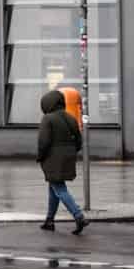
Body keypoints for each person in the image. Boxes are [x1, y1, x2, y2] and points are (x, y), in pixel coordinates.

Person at [36, 89, 87, 235]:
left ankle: (79, 216)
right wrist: (71, 151)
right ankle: (49, 220)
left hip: (53, 158)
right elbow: (78, 140)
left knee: (59, 188)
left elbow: (43, 142)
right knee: (54, 187)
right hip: (68, 156)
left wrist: (40, 156)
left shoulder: (48, 119)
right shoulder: (71, 118)